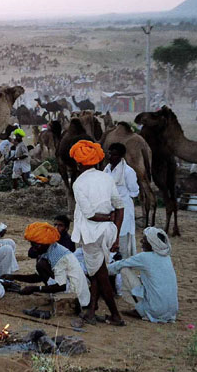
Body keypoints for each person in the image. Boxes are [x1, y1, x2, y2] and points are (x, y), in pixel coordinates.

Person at [69, 139, 125, 326]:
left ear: (78, 163)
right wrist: (115, 232)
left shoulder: (78, 184)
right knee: (96, 273)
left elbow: (90, 215)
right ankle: (91, 311)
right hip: (108, 232)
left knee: (100, 275)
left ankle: (115, 315)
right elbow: (120, 206)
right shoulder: (106, 178)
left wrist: (107, 218)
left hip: (92, 234)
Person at [3, 222, 90, 312]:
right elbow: (37, 277)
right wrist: (13, 277)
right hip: (66, 284)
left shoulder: (59, 257)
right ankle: (51, 292)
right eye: (32, 245)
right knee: (41, 264)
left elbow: (62, 286)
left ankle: (56, 297)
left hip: (75, 294)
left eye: (36, 245)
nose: (34, 248)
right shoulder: (48, 249)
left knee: (41, 264)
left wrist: (35, 289)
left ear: (45, 243)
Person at [108, 227, 178, 323]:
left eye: (145, 240)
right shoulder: (166, 257)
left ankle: (141, 309)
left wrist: (102, 270)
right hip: (172, 311)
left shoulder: (145, 257)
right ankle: (145, 307)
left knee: (124, 270)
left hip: (155, 311)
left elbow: (120, 265)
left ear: (152, 244)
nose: (141, 241)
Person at [103, 143, 140, 259]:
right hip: (109, 208)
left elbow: (135, 191)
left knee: (122, 236)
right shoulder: (106, 170)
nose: (110, 157)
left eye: (114, 155)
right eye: (109, 153)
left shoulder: (128, 172)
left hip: (124, 208)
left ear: (121, 156)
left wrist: (121, 197)